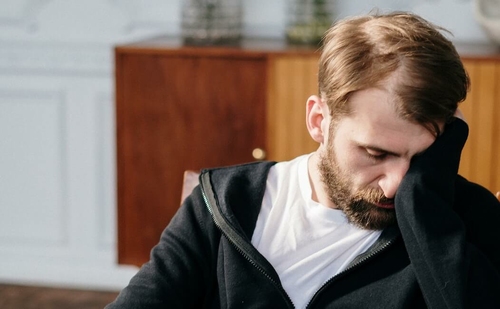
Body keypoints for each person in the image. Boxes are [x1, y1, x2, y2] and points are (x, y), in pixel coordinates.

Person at [106, 11, 500, 308]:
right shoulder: (225, 204)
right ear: (318, 121)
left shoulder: (464, 221)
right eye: (376, 153)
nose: (397, 182)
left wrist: (427, 209)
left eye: (423, 158)